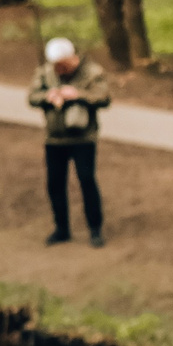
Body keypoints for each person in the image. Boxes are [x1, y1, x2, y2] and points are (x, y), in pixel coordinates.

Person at [27, 35, 110, 246]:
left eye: (62, 65)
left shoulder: (92, 72)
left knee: (86, 181)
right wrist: (48, 96)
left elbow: (103, 97)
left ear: (72, 58)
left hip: (83, 139)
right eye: (55, 66)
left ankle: (95, 229)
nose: (58, 70)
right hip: (54, 139)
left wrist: (78, 95)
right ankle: (61, 228)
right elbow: (32, 96)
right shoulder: (46, 72)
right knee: (55, 184)